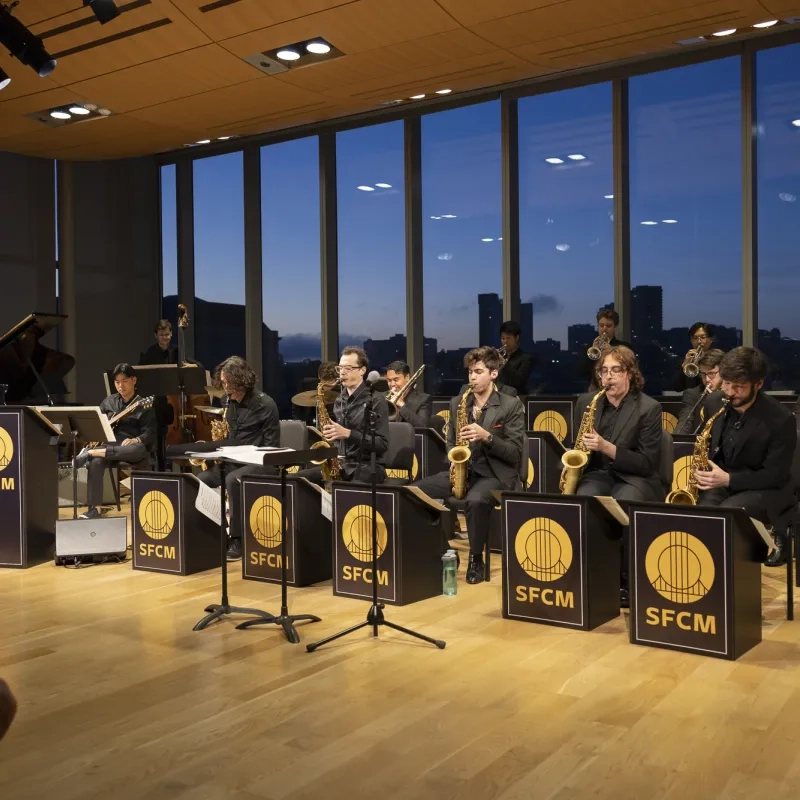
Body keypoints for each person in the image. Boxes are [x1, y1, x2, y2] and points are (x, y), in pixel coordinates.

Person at [412, 347, 525, 584]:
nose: (472, 377)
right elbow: (451, 442)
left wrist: (487, 436)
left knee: (475, 500)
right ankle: (444, 551)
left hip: (496, 473)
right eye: (470, 372)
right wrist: (454, 459)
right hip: (464, 470)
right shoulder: (458, 402)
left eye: (479, 372)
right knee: (415, 492)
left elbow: (514, 453)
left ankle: (476, 559)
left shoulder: (510, 405)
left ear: (493, 374)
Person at [574, 346, 664, 608]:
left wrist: (607, 448)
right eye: (604, 371)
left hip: (635, 477)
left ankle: (625, 579)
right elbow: (579, 444)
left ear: (630, 374)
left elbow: (647, 463)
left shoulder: (649, 408)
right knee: (585, 499)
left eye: (616, 370)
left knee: (622, 502)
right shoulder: (587, 402)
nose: (609, 377)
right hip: (599, 473)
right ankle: (593, 574)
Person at [695, 347, 796, 567]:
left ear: (758, 384)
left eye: (738, 387)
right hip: (724, 481)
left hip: (765, 488)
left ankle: (734, 576)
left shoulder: (781, 419)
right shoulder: (714, 402)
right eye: (727, 383)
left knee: (728, 515)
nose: (729, 392)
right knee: (703, 516)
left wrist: (728, 479)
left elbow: (775, 476)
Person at [197, 356, 280, 561]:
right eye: (222, 382)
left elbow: (272, 447)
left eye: (227, 382)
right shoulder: (227, 401)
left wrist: (247, 453)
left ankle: (238, 538)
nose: (223, 387)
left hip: (261, 462)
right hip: (233, 460)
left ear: (240, 380)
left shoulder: (265, 404)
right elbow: (228, 436)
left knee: (232, 480)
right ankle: (215, 534)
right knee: (201, 480)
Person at [73, 363, 156, 520]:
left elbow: (150, 432)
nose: (120, 386)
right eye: (117, 382)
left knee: (137, 449)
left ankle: (90, 454)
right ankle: (95, 509)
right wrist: (94, 439)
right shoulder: (108, 402)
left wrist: (136, 439)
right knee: (96, 461)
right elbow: (97, 424)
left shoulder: (144, 404)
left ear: (134, 380)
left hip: (130, 449)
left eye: (124, 381)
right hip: (109, 446)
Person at [296, 346, 389, 485]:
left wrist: (348, 433)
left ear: (362, 370)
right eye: (340, 368)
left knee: (349, 489)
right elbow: (338, 439)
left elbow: (382, 444)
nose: (342, 373)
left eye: (348, 368)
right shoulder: (339, 400)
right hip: (341, 463)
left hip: (368, 467)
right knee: (297, 480)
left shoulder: (376, 400)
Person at [676, 348, 725, 434]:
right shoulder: (693, 394)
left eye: (711, 373)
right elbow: (685, 423)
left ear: (723, 372)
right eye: (703, 374)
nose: (706, 379)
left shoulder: (732, 393)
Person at [579, 308, 631, 386]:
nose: (604, 329)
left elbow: (629, 370)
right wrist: (591, 355)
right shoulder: (589, 348)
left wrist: (610, 351)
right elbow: (581, 372)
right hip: (595, 389)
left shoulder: (624, 347)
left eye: (608, 326)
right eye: (601, 325)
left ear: (615, 327)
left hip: (616, 388)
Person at [671, 322, 716, 392]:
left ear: (710, 339)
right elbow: (676, 388)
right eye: (695, 338)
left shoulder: (718, 359)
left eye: (703, 337)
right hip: (691, 400)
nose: (699, 341)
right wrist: (684, 365)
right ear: (691, 340)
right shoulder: (686, 360)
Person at [385, 361, 432, 427]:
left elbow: (422, 425)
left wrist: (402, 405)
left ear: (407, 377)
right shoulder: (383, 397)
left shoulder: (423, 399)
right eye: (389, 380)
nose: (392, 384)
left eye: (396, 380)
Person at [496, 320, 534, 395]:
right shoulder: (500, 357)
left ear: (517, 338)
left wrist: (503, 363)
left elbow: (518, 381)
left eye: (508, 338)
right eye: (503, 338)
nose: (505, 341)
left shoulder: (526, 359)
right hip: (497, 398)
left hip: (516, 399)